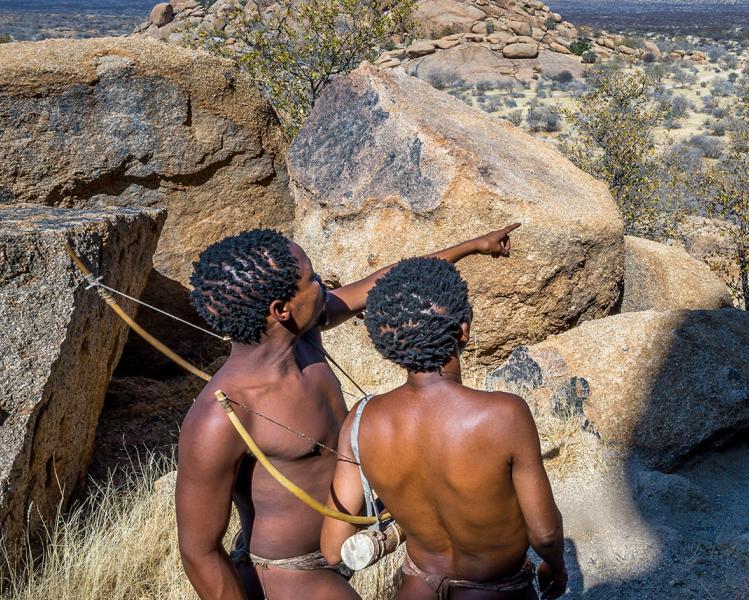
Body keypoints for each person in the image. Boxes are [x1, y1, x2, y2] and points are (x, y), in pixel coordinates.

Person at [176, 225, 518, 600]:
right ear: (281, 310)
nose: (322, 285)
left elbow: (384, 284)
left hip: (344, 543)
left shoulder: (304, 332)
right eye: (312, 279)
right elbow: (199, 551)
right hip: (291, 572)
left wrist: (471, 245)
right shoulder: (221, 416)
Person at [321, 257, 566, 600]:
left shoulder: (361, 420)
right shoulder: (504, 415)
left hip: (415, 590)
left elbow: (333, 548)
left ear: (386, 343)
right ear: (463, 330)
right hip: (496, 592)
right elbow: (544, 534)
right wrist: (555, 566)